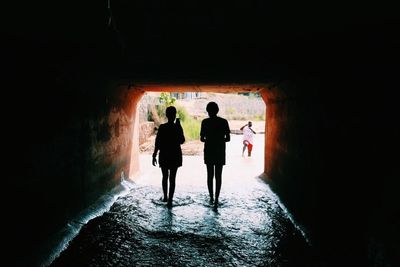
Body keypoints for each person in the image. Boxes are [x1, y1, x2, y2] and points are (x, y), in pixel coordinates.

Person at [152, 106, 185, 208]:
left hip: (164, 154)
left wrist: (154, 155)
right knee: (173, 178)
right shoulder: (177, 127)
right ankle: (170, 200)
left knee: (165, 177)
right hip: (175, 154)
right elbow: (182, 141)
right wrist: (179, 127)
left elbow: (157, 143)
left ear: (166, 115)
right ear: (175, 115)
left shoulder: (162, 127)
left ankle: (165, 197)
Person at [200, 102, 230, 208]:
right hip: (220, 151)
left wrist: (210, 139)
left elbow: (202, 138)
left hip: (209, 150)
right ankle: (217, 199)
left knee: (209, 175)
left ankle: (211, 197)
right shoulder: (223, 122)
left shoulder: (205, 122)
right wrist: (219, 139)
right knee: (218, 176)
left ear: (208, 111)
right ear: (217, 110)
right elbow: (228, 138)